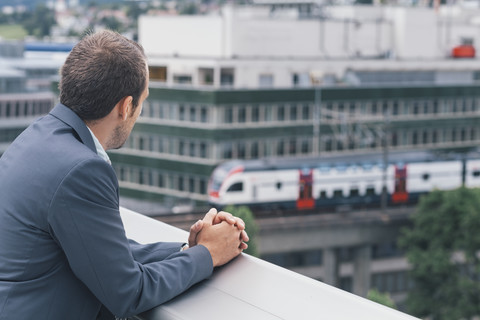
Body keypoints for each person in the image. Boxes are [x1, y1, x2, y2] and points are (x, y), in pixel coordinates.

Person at [0, 30, 248, 319]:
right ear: (126, 106)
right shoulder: (82, 169)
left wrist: (188, 248)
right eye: (142, 102)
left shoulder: (37, 137)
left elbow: (98, 250)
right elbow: (129, 292)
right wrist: (208, 255)